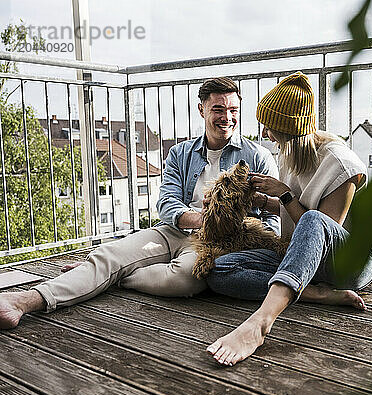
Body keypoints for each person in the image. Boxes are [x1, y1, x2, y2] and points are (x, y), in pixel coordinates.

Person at [0, 77, 279, 330]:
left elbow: (271, 216)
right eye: (218, 109)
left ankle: (109, 278)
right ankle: (24, 301)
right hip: (175, 230)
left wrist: (253, 241)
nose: (227, 117)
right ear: (202, 109)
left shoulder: (258, 157)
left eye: (233, 110)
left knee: (185, 279)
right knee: (110, 256)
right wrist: (197, 218)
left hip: (217, 242)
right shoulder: (181, 152)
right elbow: (167, 202)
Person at [205, 72, 372, 367]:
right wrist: (262, 201)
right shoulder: (291, 154)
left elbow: (319, 230)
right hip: (299, 262)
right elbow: (295, 218)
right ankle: (313, 294)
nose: (265, 134)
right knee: (216, 269)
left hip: (345, 265)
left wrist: (285, 196)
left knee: (312, 220)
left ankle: (260, 323)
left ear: (290, 129)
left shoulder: (341, 164)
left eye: (270, 128)